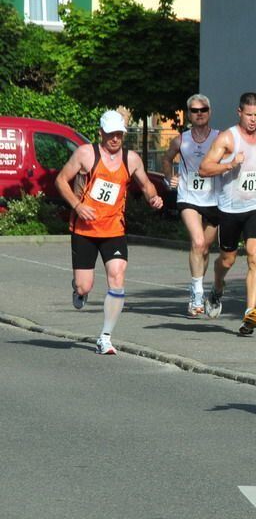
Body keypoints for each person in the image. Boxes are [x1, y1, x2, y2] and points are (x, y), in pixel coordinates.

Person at [55, 109, 164, 354]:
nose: (115, 139)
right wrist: (78, 205)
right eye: (111, 134)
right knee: (85, 286)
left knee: (117, 274)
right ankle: (78, 290)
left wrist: (154, 199)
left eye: (119, 134)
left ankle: (105, 337)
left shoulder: (131, 159)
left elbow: (146, 185)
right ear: (101, 133)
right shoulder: (86, 154)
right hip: (85, 229)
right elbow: (61, 180)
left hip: (114, 228)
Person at [198, 92, 256, 336]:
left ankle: (250, 313)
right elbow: (204, 168)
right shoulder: (228, 139)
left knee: (255, 256)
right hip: (230, 209)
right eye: (249, 115)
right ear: (239, 113)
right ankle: (217, 287)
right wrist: (230, 164)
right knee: (228, 260)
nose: (253, 120)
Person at [162, 94, 220, 317]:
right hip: (188, 197)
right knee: (197, 242)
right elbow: (167, 159)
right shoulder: (181, 140)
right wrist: (170, 178)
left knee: (205, 247)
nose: (199, 114)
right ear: (189, 114)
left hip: (214, 199)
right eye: (195, 111)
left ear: (209, 112)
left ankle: (199, 285)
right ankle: (196, 292)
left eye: (203, 110)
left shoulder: (219, 138)